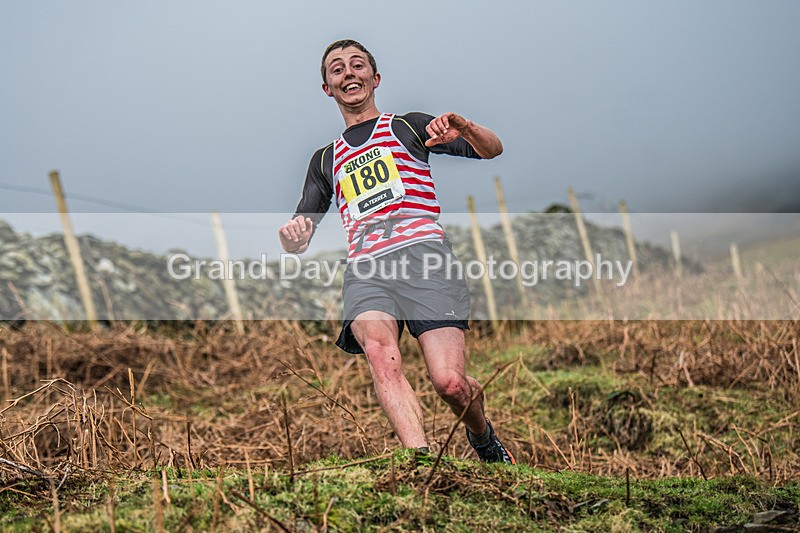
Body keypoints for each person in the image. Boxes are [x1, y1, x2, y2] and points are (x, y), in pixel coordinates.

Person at [278, 39, 514, 463]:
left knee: (450, 384)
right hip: (367, 268)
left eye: (357, 65)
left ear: (375, 78)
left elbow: (492, 149)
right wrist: (292, 236)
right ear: (327, 88)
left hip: (425, 259)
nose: (348, 73)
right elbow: (301, 232)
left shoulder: (408, 127)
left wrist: (466, 126)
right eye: (337, 69)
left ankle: (482, 436)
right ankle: (420, 465)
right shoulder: (326, 159)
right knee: (382, 360)